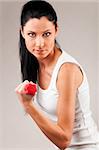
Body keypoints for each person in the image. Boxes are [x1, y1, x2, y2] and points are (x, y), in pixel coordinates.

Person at [15, 0, 99, 149]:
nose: (40, 43)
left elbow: (64, 140)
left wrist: (28, 105)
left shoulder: (66, 70)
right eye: (32, 34)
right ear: (22, 32)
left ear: (56, 30)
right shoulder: (36, 65)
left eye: (46, 34)